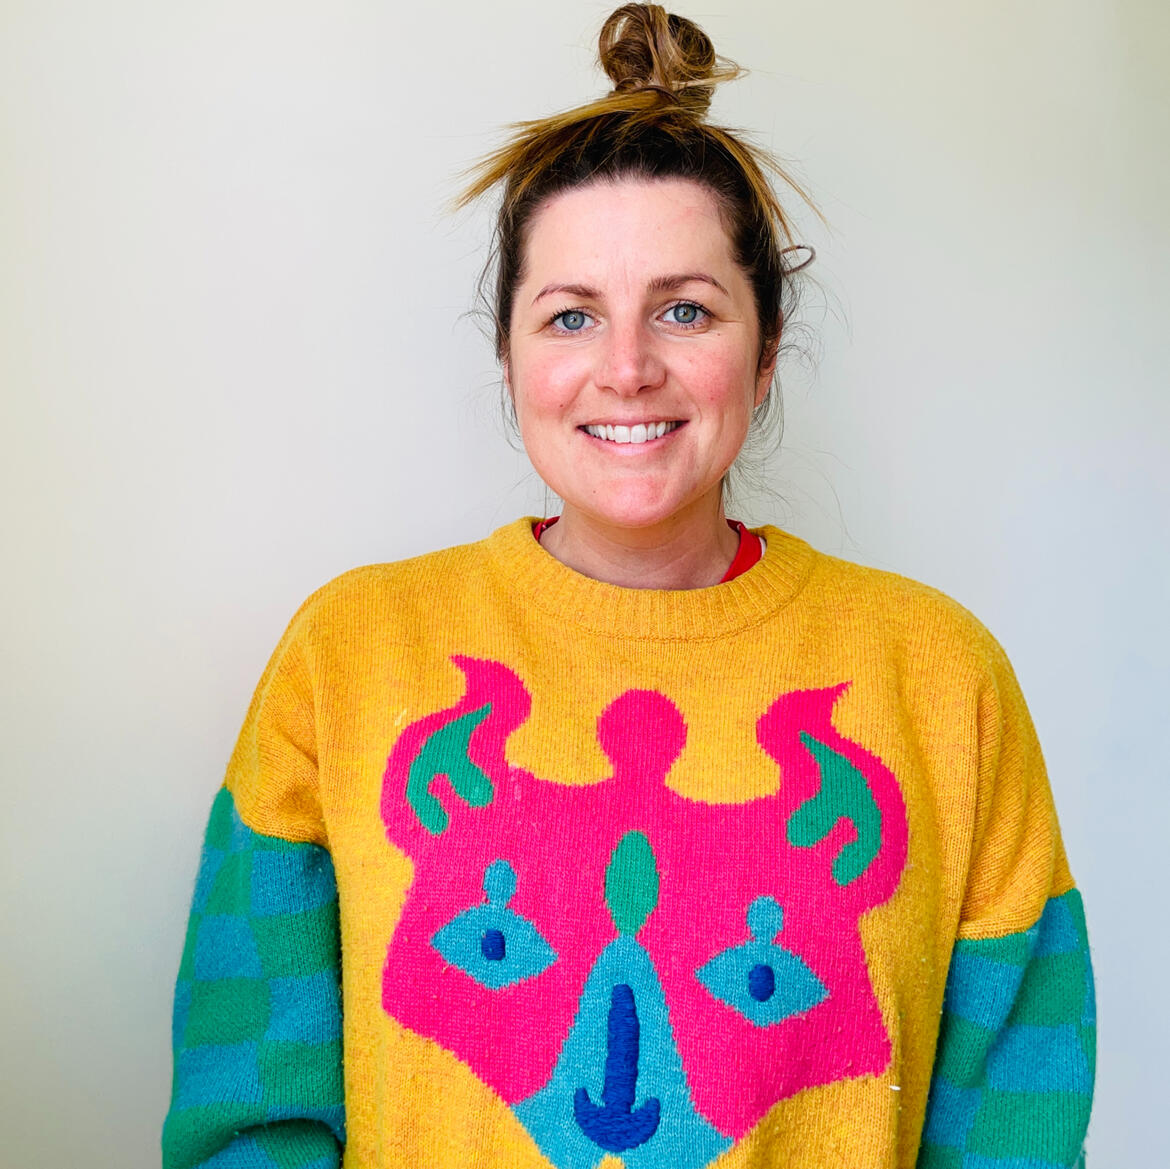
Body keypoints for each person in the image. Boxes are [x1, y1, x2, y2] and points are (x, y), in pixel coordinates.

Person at [162, 5, 1095, 1167]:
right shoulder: (347, 652)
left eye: (684, 309)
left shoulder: (943, 676)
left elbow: (1017, 1117)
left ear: (766, 348)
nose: (626, 367)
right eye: (571, 316)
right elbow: (248, 1108)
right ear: (509, 356)